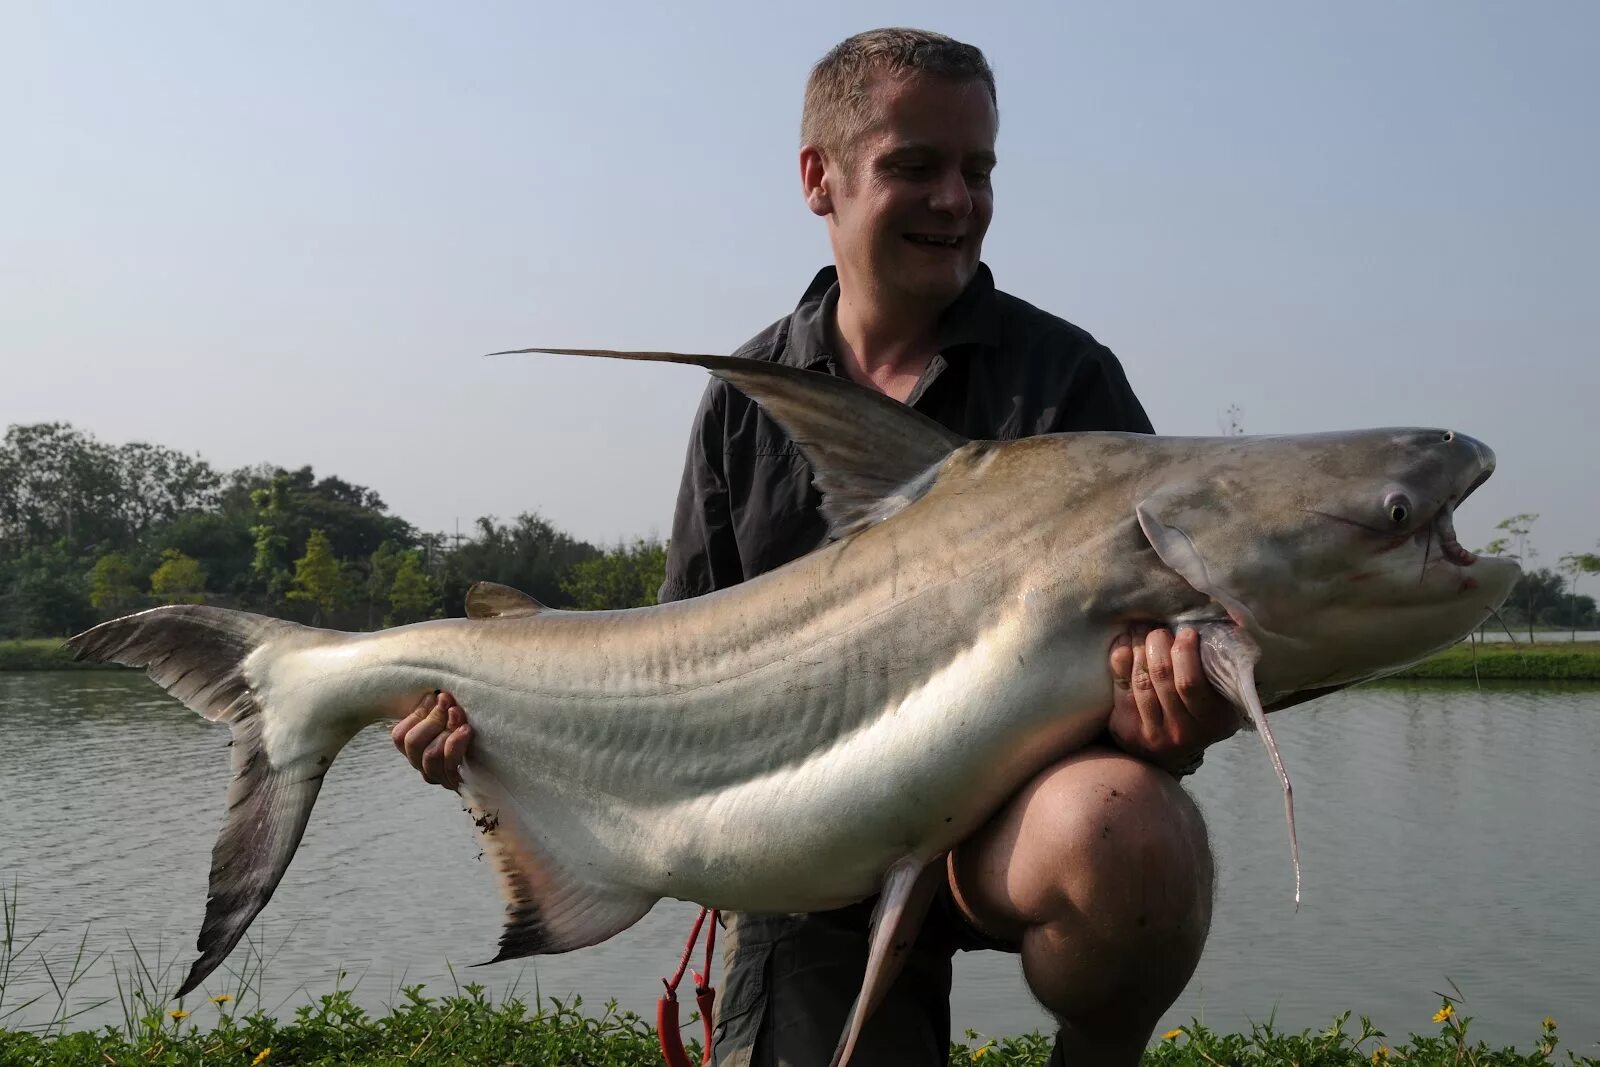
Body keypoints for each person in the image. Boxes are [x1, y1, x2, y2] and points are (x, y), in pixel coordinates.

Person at [393, 28, 1240, 1067]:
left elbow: (1164, 650)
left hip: (1021, 823)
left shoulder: (1069, 382)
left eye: (977, 170)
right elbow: (667, 681)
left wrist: (1174, 721)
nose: (955, 200)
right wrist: (492, 753)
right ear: (817, 178)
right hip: (807, 852)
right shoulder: (745, 399)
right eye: (913, 166)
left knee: (1133, 829)